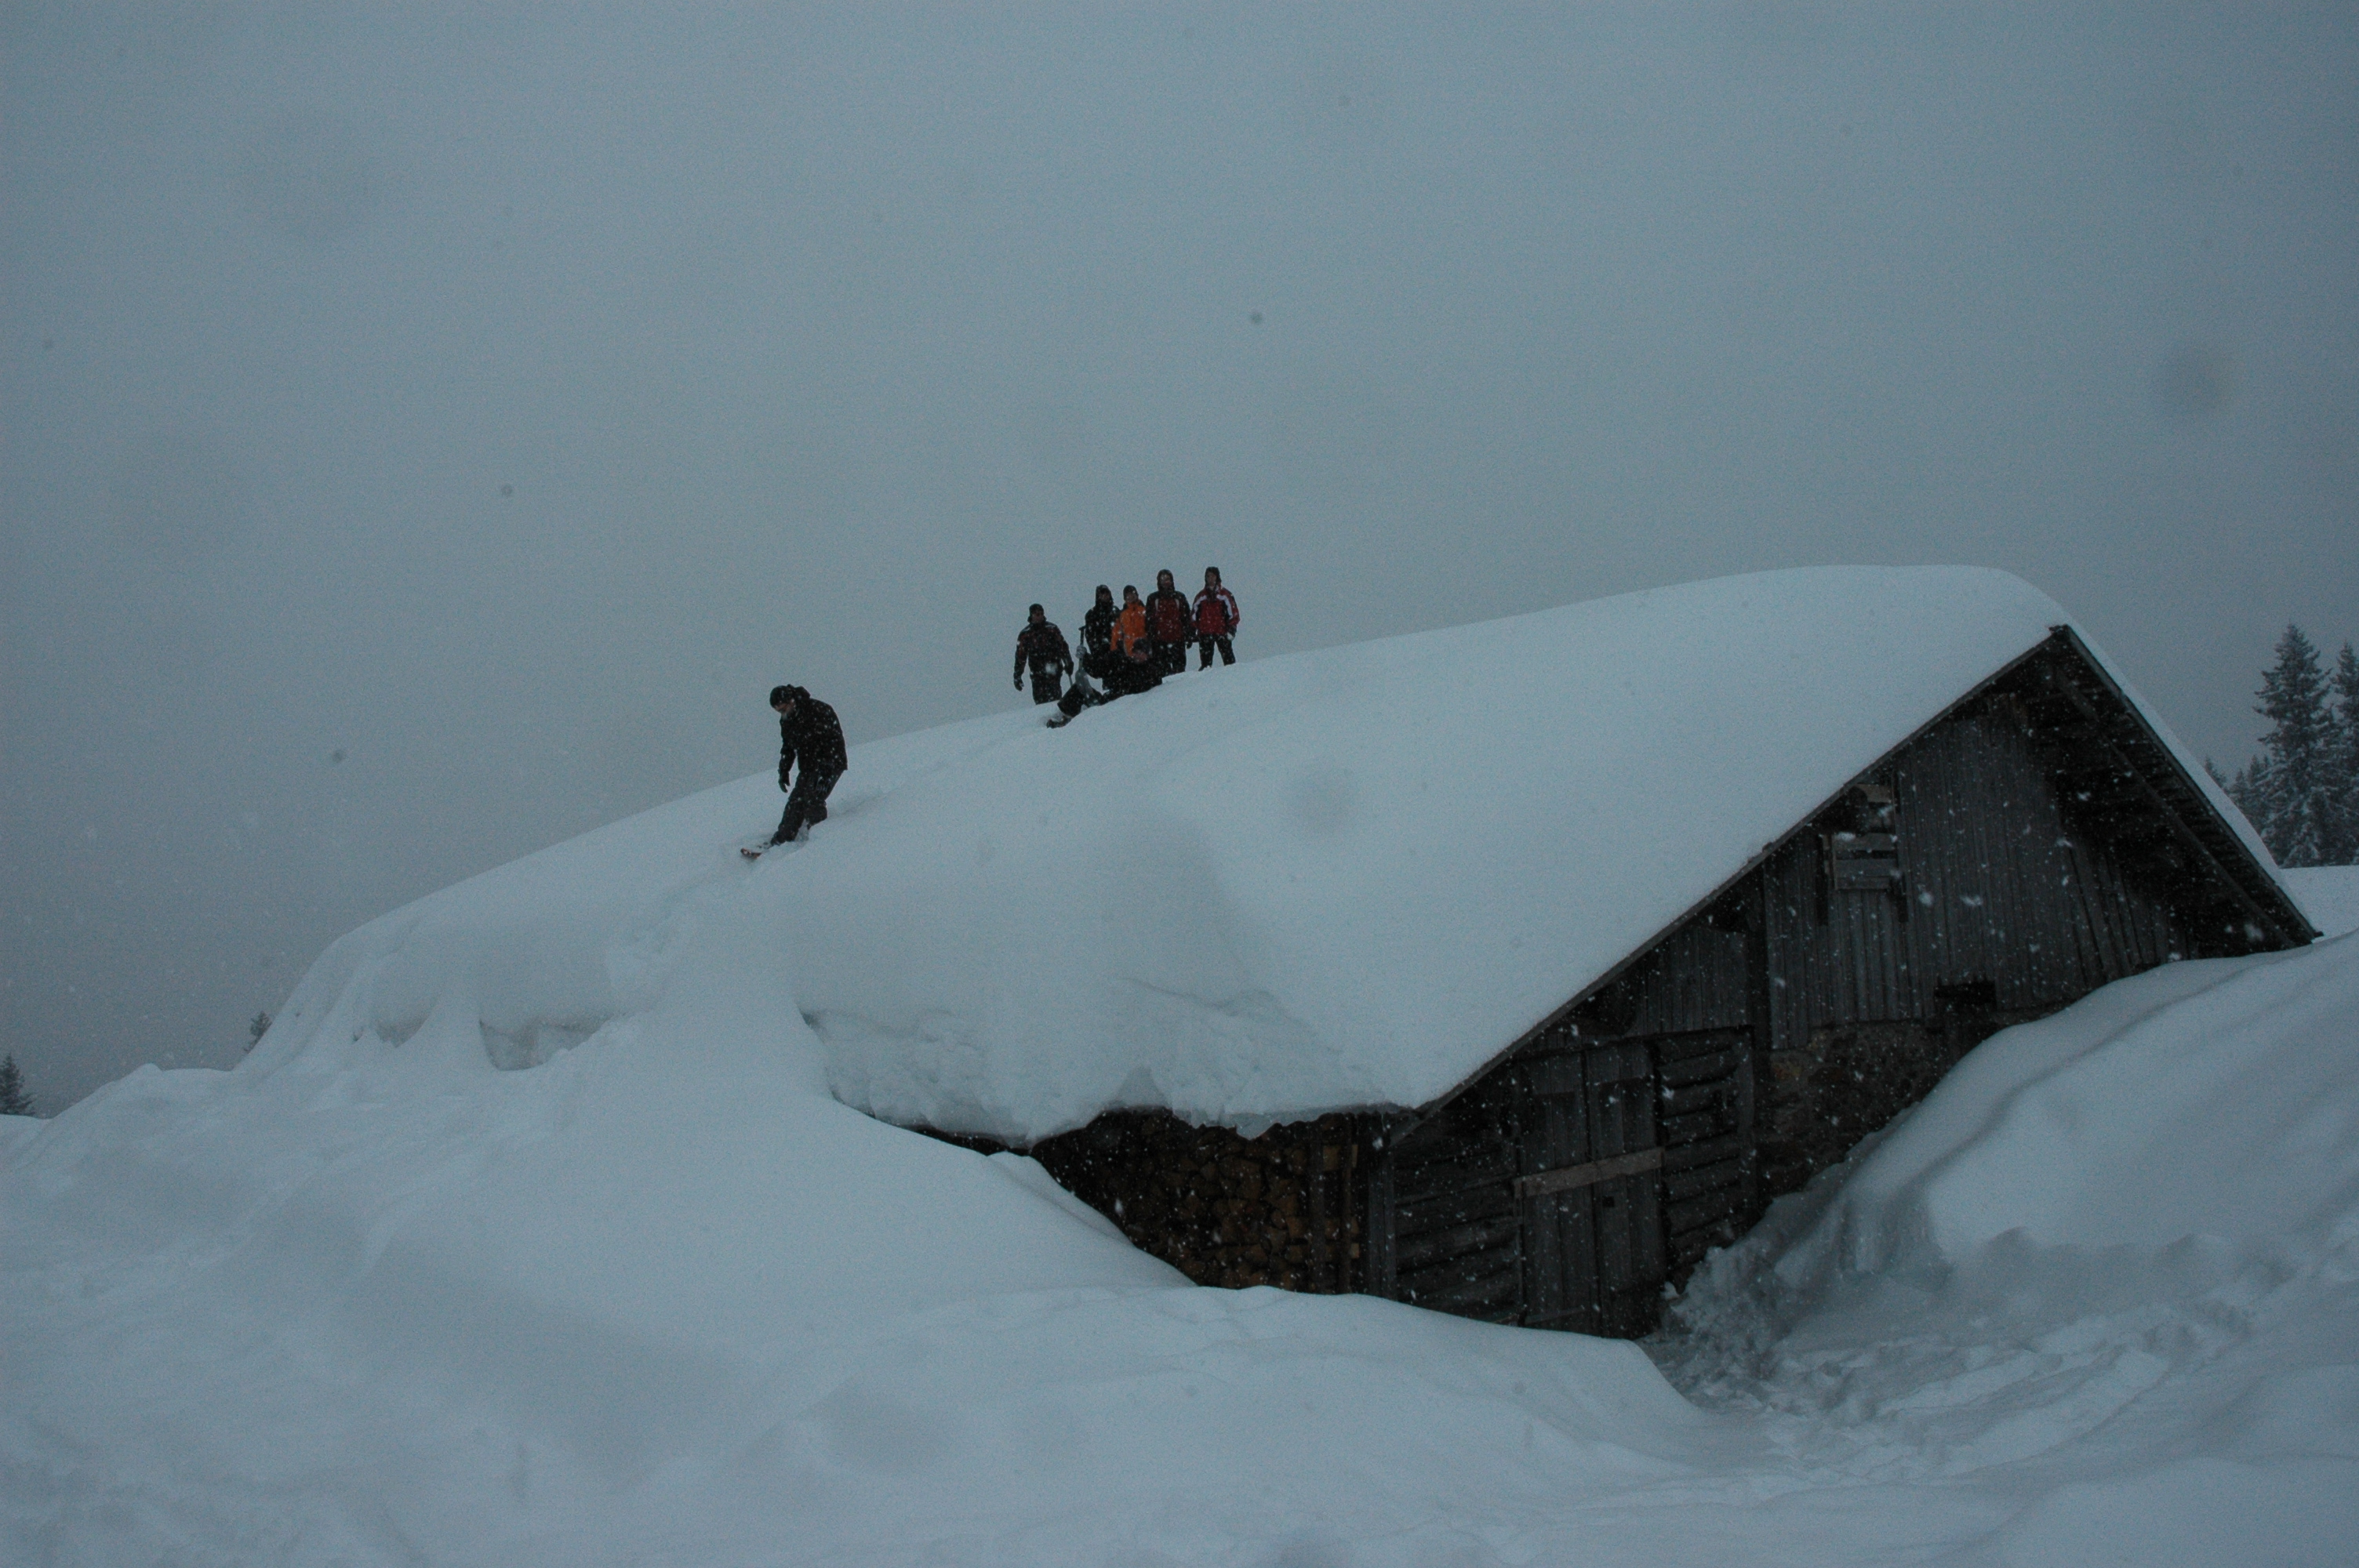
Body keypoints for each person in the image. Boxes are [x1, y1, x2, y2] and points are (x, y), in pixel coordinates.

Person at [750, 684, 846, 855]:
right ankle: (781, 841)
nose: (782, 714)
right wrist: (784, 771)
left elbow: (834, 740)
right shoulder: (787, 720)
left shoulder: (818, 710)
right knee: (795, 803)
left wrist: (826, 770)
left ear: (792, 701)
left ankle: (821, 843)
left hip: (830, 763)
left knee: (813, 799)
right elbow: (788, 747)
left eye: (783, 709)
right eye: (778, 711)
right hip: (809, 767)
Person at [1047, 586, 1160, 727]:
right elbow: (1099, 669)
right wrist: (1086, 657)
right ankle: (1064, 717)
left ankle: (1073, 723)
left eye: (1141, 652)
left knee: (1092, 702)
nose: (1138, 655)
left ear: (1147, 654)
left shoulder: (1150, 671)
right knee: (1079, 687)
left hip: (1117, 709)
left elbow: (1140, 688)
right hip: (1107, 701)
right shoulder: (1123, 661)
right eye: (1136, 651)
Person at [1012, 604, 1074, 706]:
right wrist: (1017, 675)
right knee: (1040, 701)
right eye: (1037, 614)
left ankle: (1056, 713)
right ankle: (1044, 715)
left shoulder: (1052, 629)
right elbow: (1020, 657)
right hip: (1037, 672)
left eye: (1041, 614)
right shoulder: (1026, 634)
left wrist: (1068, 662)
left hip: (1053, 668)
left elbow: (1063, 647)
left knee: (1055, 699)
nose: (1039, 616)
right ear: (1031, 615)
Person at [1145, 568, 1193, 677]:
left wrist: (1189, 635)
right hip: (1160, 642)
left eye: (1167, 579)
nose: (1165, 582)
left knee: (1180, 674)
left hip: (1178, 640)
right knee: (1163, 675)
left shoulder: (1179, 597)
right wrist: (1150, 638)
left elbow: (1186, 617)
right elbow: (1149, 620)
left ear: (1172, 580)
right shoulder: (1153, 599)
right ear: (1159, 582)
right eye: (1163, 579)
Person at [1193, 566, 1240, 668]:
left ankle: (1234, 677)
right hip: (1205, 633)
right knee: (1205, 666)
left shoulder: (1225, 595)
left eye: (1213, 576)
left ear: (1217, 577)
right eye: (1208, 576)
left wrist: (1232, 629)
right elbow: (1194, 615)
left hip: (1222, 632)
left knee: (1230, 664)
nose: (1211, 579)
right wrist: (1193, 631)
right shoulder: (1201, 596)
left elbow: (1233, 613)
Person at [1078, 584, 1119, 686]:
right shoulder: (1092, 615)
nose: (1105, 596)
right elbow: (1091, 637)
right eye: (1102, 594)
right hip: (1103, 653)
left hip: (1117, 651)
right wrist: (1098, 649)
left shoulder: (1116, 611)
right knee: (1108, 677)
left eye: (1107, 593)